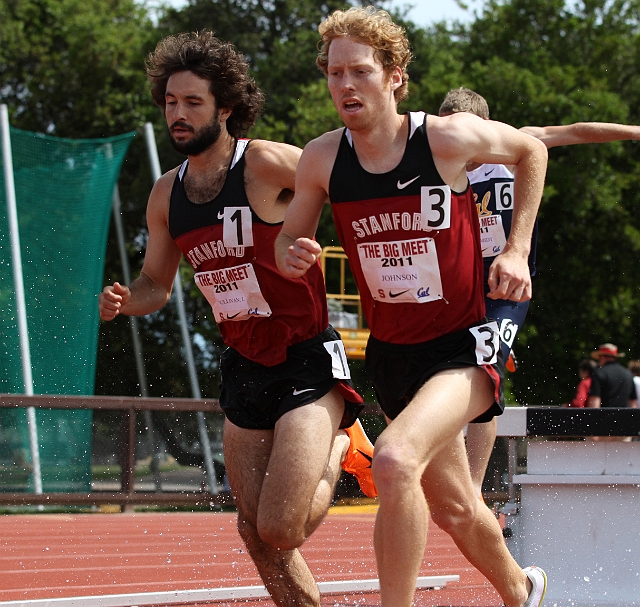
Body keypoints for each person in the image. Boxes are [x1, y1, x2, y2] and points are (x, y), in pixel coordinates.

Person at [275, 7, 548, 607]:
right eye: (334, 73)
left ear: (395, 75)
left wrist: (519, 247)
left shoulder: (445, 139)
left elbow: (532, 151)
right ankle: (523, 591)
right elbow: (287, 236)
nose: (344, 86)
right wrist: (291, 251)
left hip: (463, 346)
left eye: (359, 72)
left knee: (395, 460)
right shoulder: (322, 158)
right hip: (393, 353)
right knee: (455, 506)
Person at [98, 31, 376, 607]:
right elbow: (155, 283)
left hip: (305, 353)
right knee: (253, 532)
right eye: (170, 103)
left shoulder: (265, 163)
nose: (178, 114)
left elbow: (348, 190)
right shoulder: (164, 196)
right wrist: (128, 301)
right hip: (243, 363)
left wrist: (308, 241)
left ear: (225, 107)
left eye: (192, 103)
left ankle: (345, 445)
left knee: (280, 527)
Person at [439, 87, 640, 495]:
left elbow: (578, 130)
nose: (458, 145)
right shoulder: (437, 158)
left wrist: (634, 132)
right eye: (447, 132)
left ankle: (474, 490)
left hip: (506, 284)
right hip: (457, 284)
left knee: (484, 367)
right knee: (441, 370)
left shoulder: (515, 142)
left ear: (485, 129)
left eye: (464, 134)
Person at [587, 343, 637, 408]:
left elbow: (595, 401)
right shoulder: (628, 374)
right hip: (624, 416)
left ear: (602, 357)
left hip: (605, 416)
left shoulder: (599, 373)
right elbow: (632, 403)